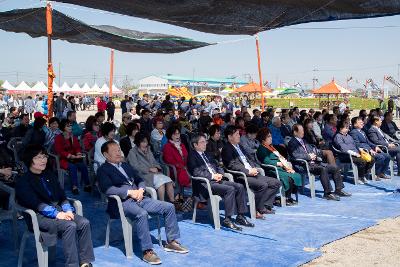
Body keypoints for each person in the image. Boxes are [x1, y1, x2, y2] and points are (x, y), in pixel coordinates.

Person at [97, 141, 188, 264]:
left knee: (169, 207)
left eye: (119, 149)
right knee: (142, 214)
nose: (118, 153)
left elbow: (140, 179)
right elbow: (107, 189)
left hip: (140, 197)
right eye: (114, 151)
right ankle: (147, 251)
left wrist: (141, 189)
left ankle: (171, 242)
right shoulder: (103, 170)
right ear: (106, 155)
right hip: (122, 203)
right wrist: (130, 192)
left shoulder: (125, 165)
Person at [16, 145, 95, 267]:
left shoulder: (49, 175)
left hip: (58, 210)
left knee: (84, 222)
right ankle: (72, 265)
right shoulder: (24, 181)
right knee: (70, 225)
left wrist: (68, 210)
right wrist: (58, 214)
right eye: (38, 158)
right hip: (38, 216)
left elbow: (62, 196)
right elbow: (36, 204)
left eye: (44, 157)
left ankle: (85, 262)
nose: (43, 160)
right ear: (30, 160)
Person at [188, 133, 253, 230]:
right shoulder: (192, 156)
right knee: (230, 189)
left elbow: (218, 166)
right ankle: (228, 219)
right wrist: (213, 176)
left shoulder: (208, 154)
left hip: (217, 181)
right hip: (205, 184)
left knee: (239, 186)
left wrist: (221, 174)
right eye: (202, 142)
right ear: (195, 145)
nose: (205, 144)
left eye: (205, 141)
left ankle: (240, 216)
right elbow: (196, 172)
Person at [221, 125, 281, 218]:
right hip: (241, 176)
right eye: (236, 134)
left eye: (239, 134)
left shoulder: (240, 146)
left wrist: (254, 168)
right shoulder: (227, 149)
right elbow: (232, 165)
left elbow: (249, 159)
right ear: (229, 136)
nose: (239, 136)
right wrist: (248, 171)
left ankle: (263, 206)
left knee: (276, 183)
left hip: (252, 173)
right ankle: (256, 210)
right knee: (262, 185)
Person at [288, 124, 350, 201]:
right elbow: (295, 156)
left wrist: (314, 154)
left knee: (335, 167)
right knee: (322, 169)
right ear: (295, 132)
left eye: (303, 130)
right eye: (301, 131)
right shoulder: (292, 142)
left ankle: (338, 189)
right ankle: (327, 193)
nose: (303, 132)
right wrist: (308, 157)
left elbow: (311, 150)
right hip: (304, 165)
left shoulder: (304, 140)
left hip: (314, 163)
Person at [256, 128, 302, 205]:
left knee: (296, 175)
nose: (271, 138)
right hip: (272, 170)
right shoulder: (261, 149)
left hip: (280, 168)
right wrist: (279, 163)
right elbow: (266, 161)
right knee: (288, 178)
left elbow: (279, 157)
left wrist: (285, 162)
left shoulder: (271, 147)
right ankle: (286, 198)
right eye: (268, 136)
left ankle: (289, 196)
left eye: (271, 136)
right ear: (263, 139)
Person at [127, 133, 174, 202]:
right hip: (143, 175)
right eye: (143, 142)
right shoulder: (132, 152)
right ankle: (162, 204)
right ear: (138, 142)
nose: (145, 144)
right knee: (161, 184)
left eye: (146, 142)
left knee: (169, 181)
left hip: (154, 174)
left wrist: (157, 168)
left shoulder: (148, 150)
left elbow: (154, 162)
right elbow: (135, 167)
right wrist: (149, 169)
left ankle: (172, 201)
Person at [54, 119, 90, 195]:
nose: (70, 127)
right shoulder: (58, 138)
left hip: (74, 158)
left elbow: (77, 147)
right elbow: (59, 150)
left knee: (83, 166)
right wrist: (70, 156)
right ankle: (74, 187)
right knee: (72, 167)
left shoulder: (73, 137)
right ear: (63, 127)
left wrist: (78, 153)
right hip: (63, 159)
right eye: (68, 126)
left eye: (70, 125)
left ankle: (87, 184)